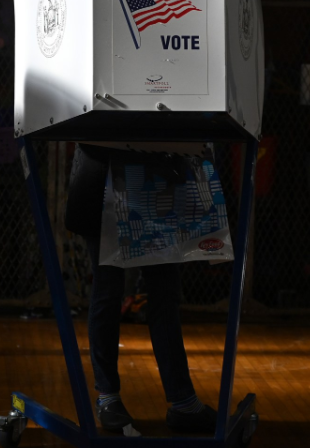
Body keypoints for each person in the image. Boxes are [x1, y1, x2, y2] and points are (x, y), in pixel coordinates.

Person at [65, 143, 217, 434]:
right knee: (110, 291)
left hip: (154, 176)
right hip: (105, 174)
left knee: (163, 293)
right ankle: (108, 397)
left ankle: (182, 401)